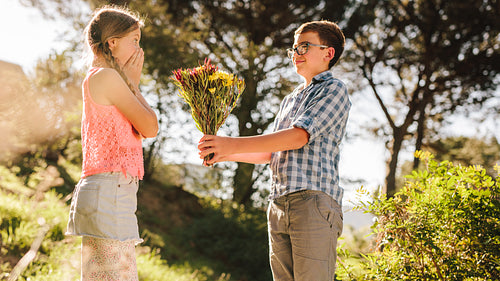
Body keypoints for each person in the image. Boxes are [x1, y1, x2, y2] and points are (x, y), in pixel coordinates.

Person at [198, 20, 350, 281]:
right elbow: (272, 153)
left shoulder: (334, 89)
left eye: (304, 46)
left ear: (328, 53)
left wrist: (231, 142)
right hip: (278, 204)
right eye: (293, 49)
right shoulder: (290, 99)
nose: (296, 54)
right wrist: (224, 153)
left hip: (312, 202)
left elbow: (298, 137)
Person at [66, 5, 158, 281]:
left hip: (106, 193)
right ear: (112, 43)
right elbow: (151, 127)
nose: (139, 50)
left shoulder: (103, 79)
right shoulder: (108, 78)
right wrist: (134, 84)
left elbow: (140, 129)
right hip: (109, 194)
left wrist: (130, 84)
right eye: (135, 41)